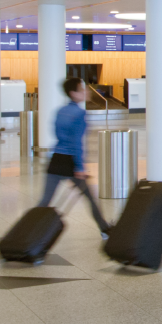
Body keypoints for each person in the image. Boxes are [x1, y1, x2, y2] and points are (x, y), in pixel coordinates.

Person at [41, 77, 112, 238]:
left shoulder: (60, 111)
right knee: (90, 199)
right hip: (71, 162)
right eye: (82, 89)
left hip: (56, 158)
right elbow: (77, 143)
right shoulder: (80, 113)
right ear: (73, 93)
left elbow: (57, 134)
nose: (86, 91)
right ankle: (105, 230)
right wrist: (80, 167)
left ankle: (28, 232)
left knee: (44, 201)